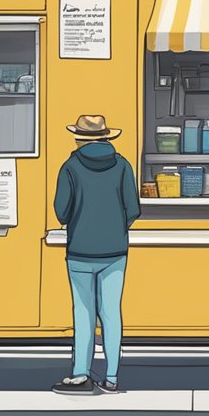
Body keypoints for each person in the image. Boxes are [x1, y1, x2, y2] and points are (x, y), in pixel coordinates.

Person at [51, 114, 141, 395]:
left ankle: (80, 375)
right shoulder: (123, 165)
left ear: (79, 138)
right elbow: (134, 209)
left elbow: (61, 212)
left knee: (84, 313)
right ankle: (112, 377)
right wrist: (115, 227)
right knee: (111, 313)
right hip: (115, 251)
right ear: (105, 137)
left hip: (80, 251)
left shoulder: (70, 167)